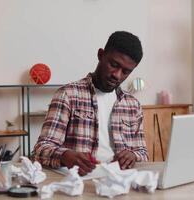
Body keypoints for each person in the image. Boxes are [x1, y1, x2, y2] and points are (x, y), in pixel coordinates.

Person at [32, 31, 148, 176]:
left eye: (125, 72)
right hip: (80, 181)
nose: (117, 75)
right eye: (113, 65)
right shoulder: (68, 95)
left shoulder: (133, 105)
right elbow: (40, 149)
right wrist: (65, 156)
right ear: (100, 55)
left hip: (120, 180)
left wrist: (133, 156)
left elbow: (142, 153)